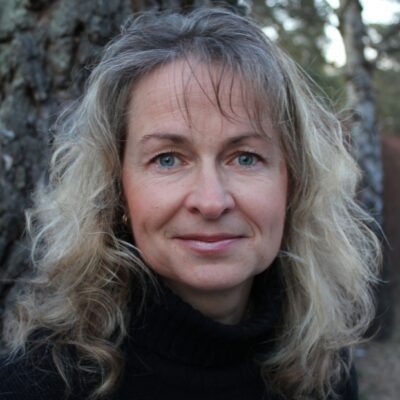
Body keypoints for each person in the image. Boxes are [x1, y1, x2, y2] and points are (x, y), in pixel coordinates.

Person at [0, 7, 379, 400]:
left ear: (294, 183)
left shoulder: (324, 370)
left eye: (245, 158)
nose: (211, 202)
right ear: (116, 190)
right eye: (167, 159)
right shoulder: (38, 385)